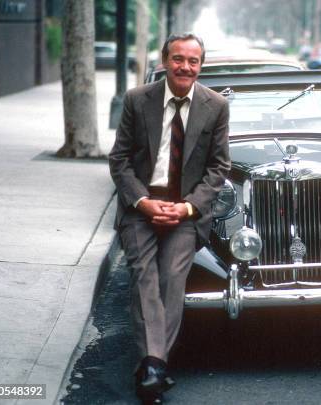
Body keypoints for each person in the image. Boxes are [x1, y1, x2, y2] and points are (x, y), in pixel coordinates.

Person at [109, 33, 230, 404]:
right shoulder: (136, 100)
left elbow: (218, 167)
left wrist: (188, 207)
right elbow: (120, 160)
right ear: (164, 61)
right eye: (178, 59)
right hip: (141, 208)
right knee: (144, 275)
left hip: (186, 211)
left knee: (172, 277)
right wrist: (144, 202)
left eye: (193, 62)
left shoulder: (216, 105)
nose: (185, 67)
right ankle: (156, 366)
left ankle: (151, 365)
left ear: (201, 66)